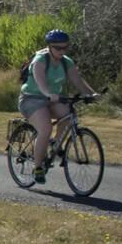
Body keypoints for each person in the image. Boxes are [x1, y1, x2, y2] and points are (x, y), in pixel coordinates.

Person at [18, 29, 99, 183]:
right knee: (46, 128)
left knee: (70, 114)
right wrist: (48, 93)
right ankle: (38, 168)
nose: (62, 51)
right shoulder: (40, 60)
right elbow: (40, 81)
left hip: (53, 99)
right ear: (49, 47)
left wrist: (91, 94)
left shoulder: (66, 61)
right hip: (31, 99)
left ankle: (55, 143)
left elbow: (77, 80)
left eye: (65, 47)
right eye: (58, 48)